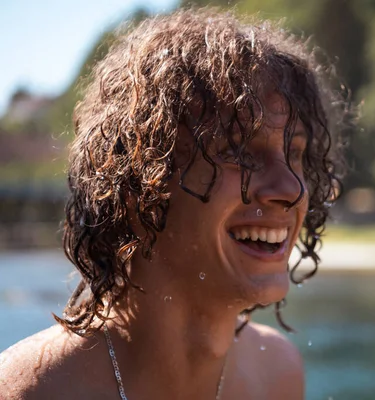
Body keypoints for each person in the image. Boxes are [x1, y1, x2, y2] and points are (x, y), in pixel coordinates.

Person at [0, 7, 347, 400]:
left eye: (296, 153)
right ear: (139, 182)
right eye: (238, 150)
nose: (292, 189)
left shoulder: (277, 374)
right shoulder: (31, 390)